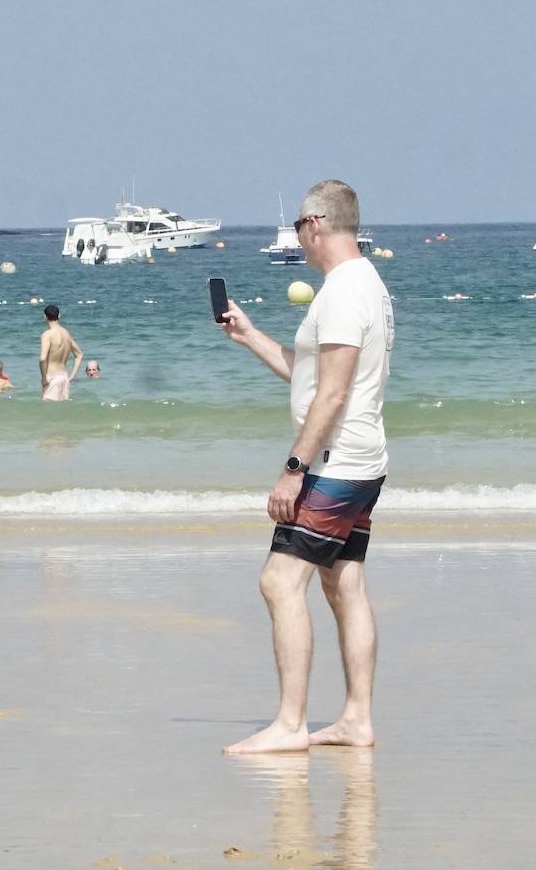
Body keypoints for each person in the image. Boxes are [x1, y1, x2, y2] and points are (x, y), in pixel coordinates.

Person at [219, 180, 393, 753]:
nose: (297, 238)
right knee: (344, 584)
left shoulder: (344, 291)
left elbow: (334, 394)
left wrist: (293, 468)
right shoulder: (362, 285)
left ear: (316, 224)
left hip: (334, 462)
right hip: (359, 459)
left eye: (298, 227)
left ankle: (291, 724)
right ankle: (356, 720)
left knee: (278, 581)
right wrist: (249, 337)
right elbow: (311, 375)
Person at [39, 304, 83, 401]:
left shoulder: (47, 335)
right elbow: (79, 355)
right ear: (59, 316)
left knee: (48, 412)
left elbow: (42, 358)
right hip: (64, 377)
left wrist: (43, 379)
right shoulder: (66, 334)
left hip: (52, 378)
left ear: (45, 317)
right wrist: (71, 377)